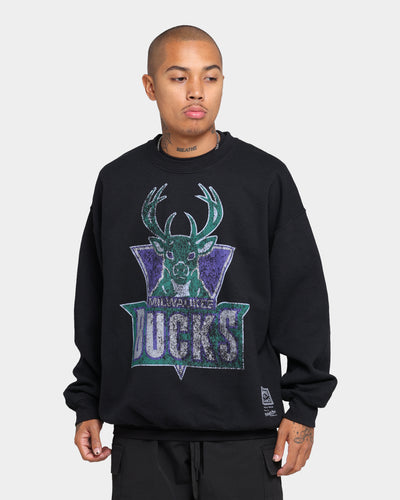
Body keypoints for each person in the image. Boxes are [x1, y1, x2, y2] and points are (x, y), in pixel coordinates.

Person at [63, 24, 337, 500]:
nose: (196, 91)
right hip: (142, 441)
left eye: (210, 77)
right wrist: (86, 400)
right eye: (178, 77)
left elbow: (302, 296)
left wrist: (304, 408)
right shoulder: (118, 181)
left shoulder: (264, 177)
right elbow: (93, 299)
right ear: (150, 86)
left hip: (247, 440)